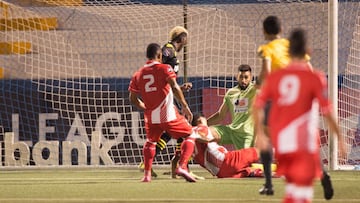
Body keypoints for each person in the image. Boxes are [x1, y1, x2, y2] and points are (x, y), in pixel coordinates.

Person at [253, 28, 345, 203]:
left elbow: (258, 104)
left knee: (294, 191)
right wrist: (339, 137)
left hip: (284, 141)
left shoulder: (275, 77)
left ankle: (268, 183)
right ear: (308, 52)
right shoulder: (315, 78)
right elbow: (328, 111)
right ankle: (322, 174)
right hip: (304, 142)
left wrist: (260, 134)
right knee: (301, 193)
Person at [128, 43, 198, 183]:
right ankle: (182, 166)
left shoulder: (138, 74)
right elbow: (174, 87)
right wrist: (184, 106)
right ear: (159, 55)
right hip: (167, 114)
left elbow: (133, 99)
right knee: (191, 134)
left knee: (150, 142)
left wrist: (145, 107)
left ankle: (147, 175)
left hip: (150, 117)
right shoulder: (165, 68)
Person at [206, 64, 257, 150]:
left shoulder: (254, 90)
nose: (243, 80)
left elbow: (265, 78)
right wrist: (203, 124)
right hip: (232, 131)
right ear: (237, 77)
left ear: (251, 78)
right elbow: (220, 115)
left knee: (245, 162)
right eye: (241, 77)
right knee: (205, 133)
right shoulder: (231, 93)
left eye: (246, 77)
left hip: (247, 135)